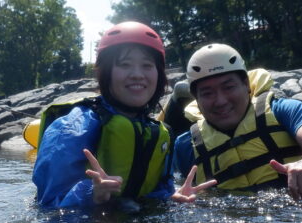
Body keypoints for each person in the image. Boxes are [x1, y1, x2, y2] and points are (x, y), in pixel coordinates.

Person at [33, 21, 215, 209]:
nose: (137, 74)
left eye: (147, 65)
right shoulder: (73, 127)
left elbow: (157, 189)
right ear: (106, 73)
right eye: (125, 65)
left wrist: (172, 196)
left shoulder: (160, 132)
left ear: (158, 74)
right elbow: (47, 210)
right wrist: (91, 195)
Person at [172, 43, 302, 202]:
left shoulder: (283, 109)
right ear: (196, 98)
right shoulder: (185, 145)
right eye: (207, 93)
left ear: (246, 84)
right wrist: (178, 200)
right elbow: (174, 187)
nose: (220, 101)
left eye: (228, 87)